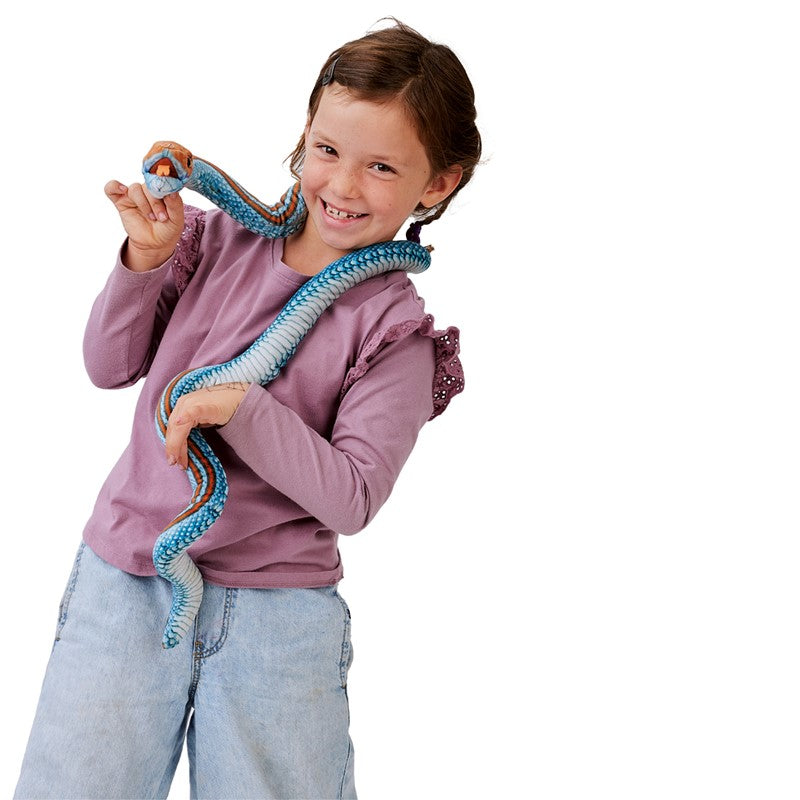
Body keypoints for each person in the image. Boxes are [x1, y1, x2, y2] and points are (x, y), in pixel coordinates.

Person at [15, 20, 481, 800]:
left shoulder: (394, 330)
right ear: (304, 134)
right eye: (328, 151)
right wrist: (146, 264)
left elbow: (353, 495)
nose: (341, 185)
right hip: (125, 585)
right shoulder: (213, 242)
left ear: (437, 184)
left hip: (276, 623)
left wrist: (243, 406)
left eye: (381, 167)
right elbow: (108, 366)